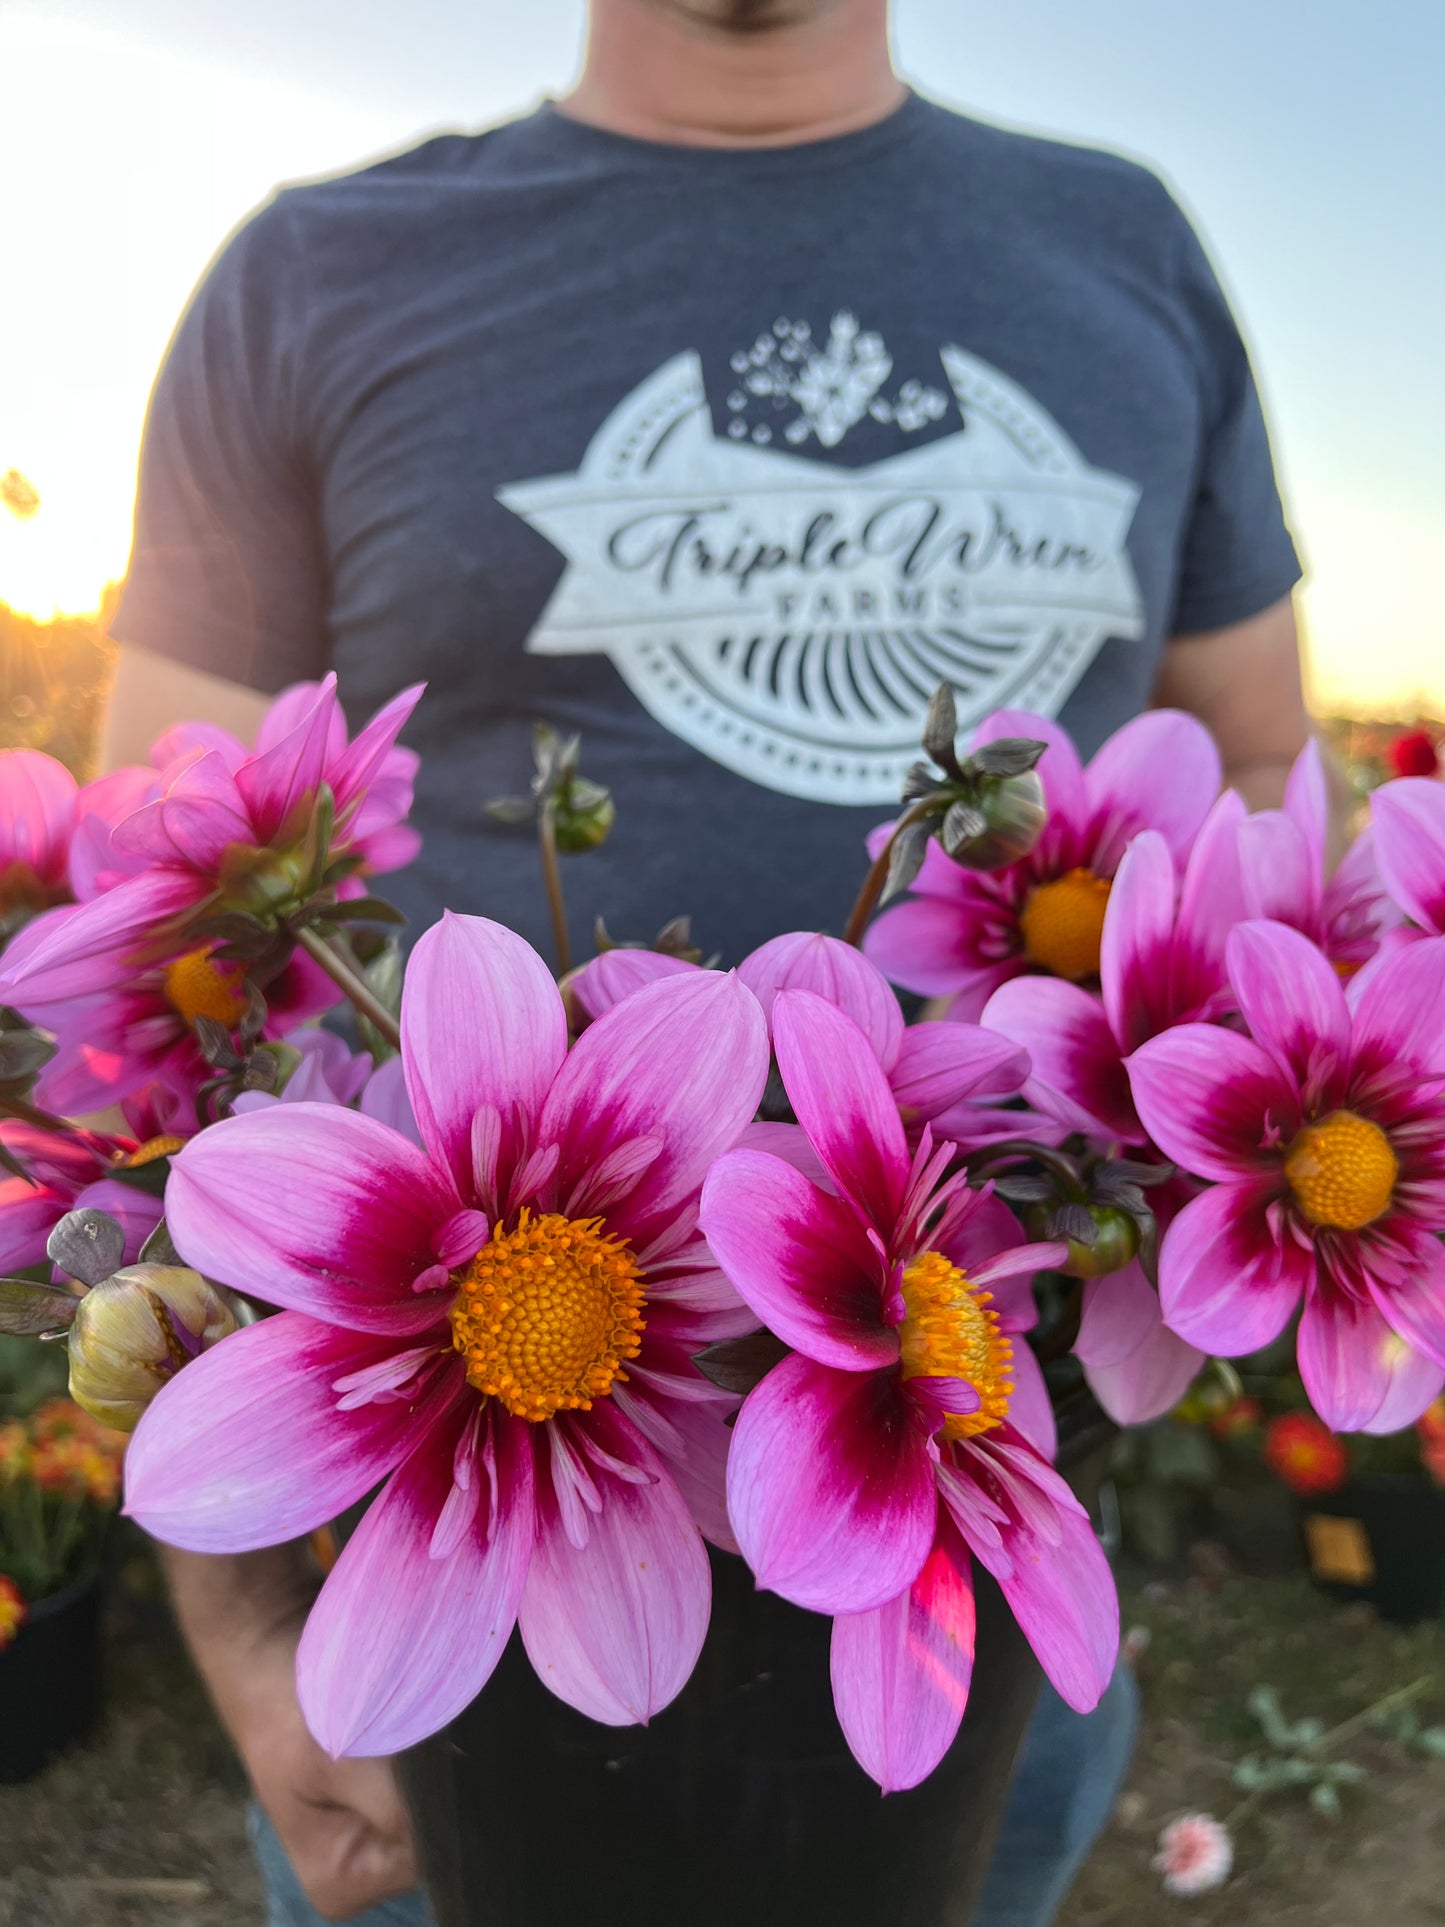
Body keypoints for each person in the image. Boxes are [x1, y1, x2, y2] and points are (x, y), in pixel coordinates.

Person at [105, 0, 1328, 1920]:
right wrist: (254, 1614)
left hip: (965, 1486)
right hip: (470, 1572)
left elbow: (1254, 767)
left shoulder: (1126, 239)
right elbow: (169, 904)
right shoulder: (312, 270)